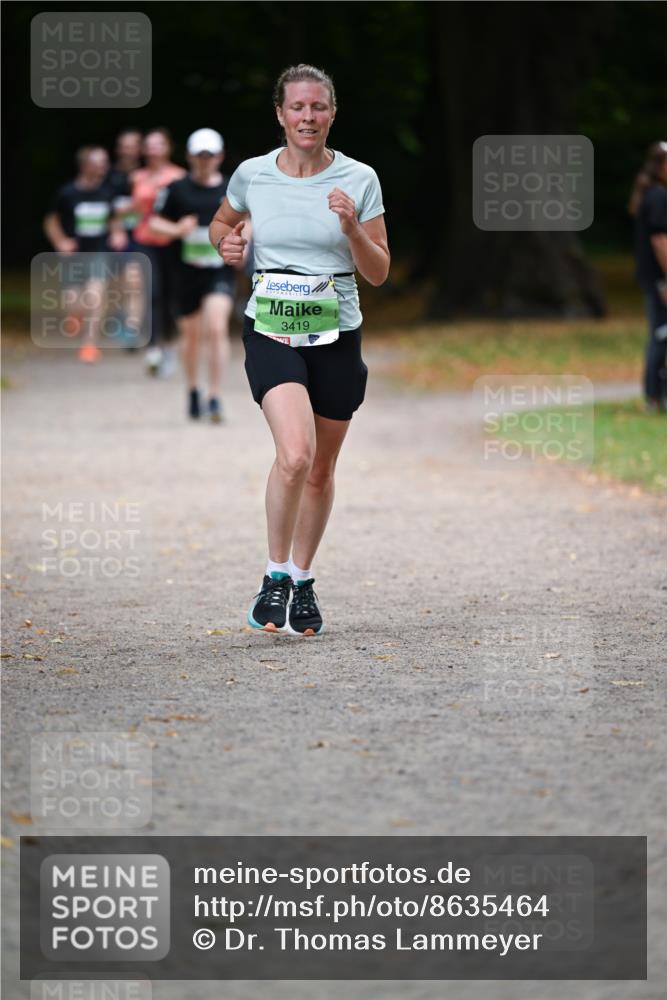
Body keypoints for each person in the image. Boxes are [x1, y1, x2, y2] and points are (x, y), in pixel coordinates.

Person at [209, 64, 389, 635]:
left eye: (318, 107)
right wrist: (226, 244)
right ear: (280, 114)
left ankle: (303, 581)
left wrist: (352, 229)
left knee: (320, 469)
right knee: (295, 455)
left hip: (337, 333)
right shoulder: (253, 174)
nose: (307, 117)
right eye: (297, 107)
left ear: (332, 113)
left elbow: (379, 271)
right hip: (271, 327)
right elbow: (221, 224)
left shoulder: (359, 179)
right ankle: (274, 576)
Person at [150, 128, 238, 421]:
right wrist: (177, 229)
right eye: (199, 155)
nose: (204, 160)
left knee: (216, 328)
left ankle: (215, 396)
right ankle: (192, 389)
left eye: (209, 155)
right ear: (189, 156)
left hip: (219, 271)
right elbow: (154, 223)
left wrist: (242, 244)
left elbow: (248, 221)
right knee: (191, 336)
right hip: (185, 273)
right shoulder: (176, 189)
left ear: (220, 156)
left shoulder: (231, 189)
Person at [43, 145, 124, 363]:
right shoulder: (67, 193)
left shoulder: (107, 192)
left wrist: (117, 233)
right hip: (73, 255)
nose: (104, 167)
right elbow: (51, 221)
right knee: (72, 302)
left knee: (96, 295)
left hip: (98, 252)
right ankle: (75, 315)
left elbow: (113, 219)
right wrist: (60, 241)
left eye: (105, 162)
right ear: (85, 165)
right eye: (99, 163)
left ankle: (89, 344)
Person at [131, 128, 185, 376]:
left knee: (170, 296)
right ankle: (153, 347)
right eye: (149, 145)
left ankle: (169, 345)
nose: (153, 150)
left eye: (158, 144)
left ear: (168, 148)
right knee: (151, 292)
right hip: (144, 241)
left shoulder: (179, 176)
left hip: (172, 243)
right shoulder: (137, 177)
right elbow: (131, 210)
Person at [629, 140, 667, 412]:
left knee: (660, 333)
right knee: (661, 335)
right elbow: (660, 240)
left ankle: (656, 395)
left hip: (652, 278)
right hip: (658, 279)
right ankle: (654, 396)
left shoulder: (651, 194)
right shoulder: (658, 197)